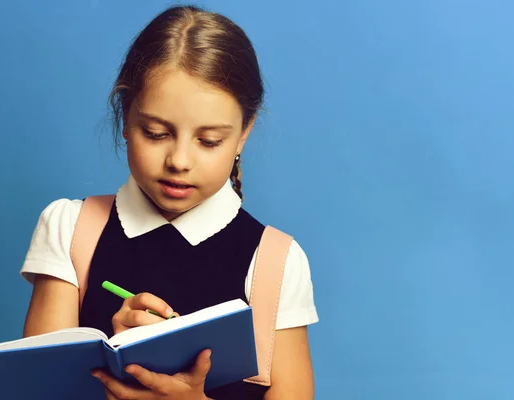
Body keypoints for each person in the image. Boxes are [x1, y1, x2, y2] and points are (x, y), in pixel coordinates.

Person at [20, 5, 318, 400]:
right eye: (157, 133)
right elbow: (36, 392)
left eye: (209, 141)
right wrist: (115, 361)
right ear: (125, 117)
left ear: (243, 133)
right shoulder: (70, 229)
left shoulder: (277, 263)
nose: (179, 161)